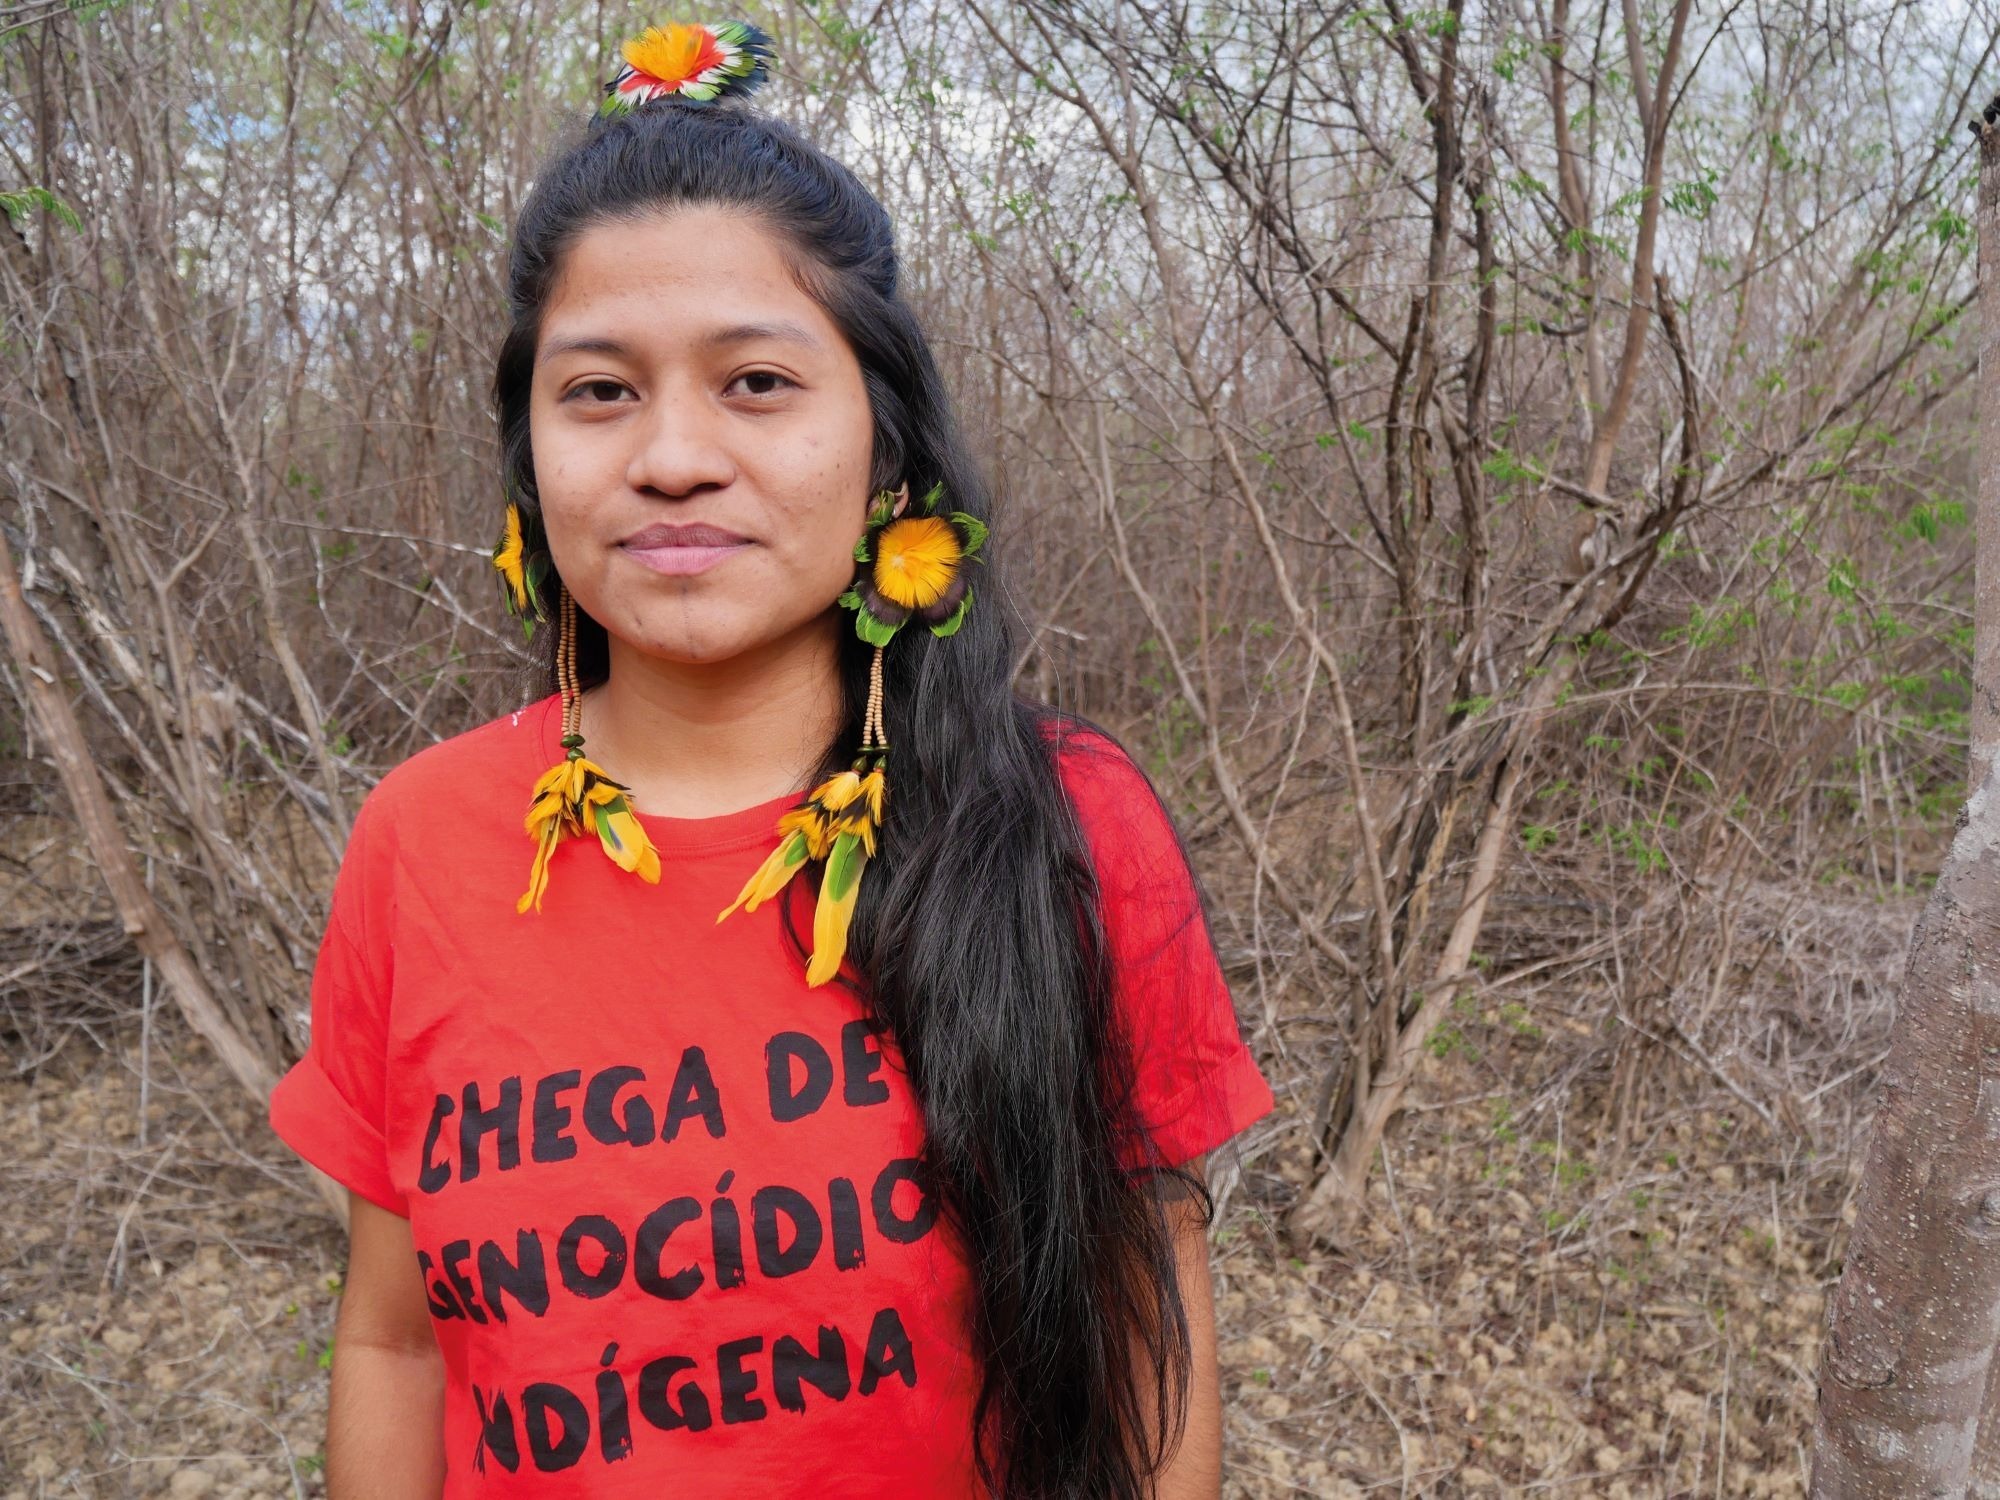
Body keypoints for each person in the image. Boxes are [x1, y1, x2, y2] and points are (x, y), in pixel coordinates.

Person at [267, 20, 1275, 1499]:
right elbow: (398, 1345)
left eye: (756, 383)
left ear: (885, 446)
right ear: (528, 454)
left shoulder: (1062, 825)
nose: (671, 455)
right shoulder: (420, 840)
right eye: (598, 391)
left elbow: (1146, 1306)